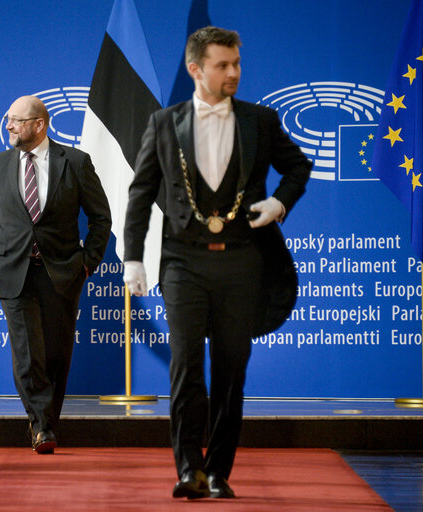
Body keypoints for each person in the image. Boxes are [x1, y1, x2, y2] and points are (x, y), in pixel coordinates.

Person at [123, 26, 311, 499]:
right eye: (223, 65)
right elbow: (141, 194)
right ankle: (190, 469)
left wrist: (279, 204)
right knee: (185, 367)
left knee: (232, 368)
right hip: (183, 264)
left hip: (242, 262)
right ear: (195, 69)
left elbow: (299, 166)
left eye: (237, 64)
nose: (233, 73)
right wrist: (132, 258)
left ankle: (219, 472)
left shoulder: (259, 121)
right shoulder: (164, 123)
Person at [0, 95, 112, 454]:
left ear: (39, 125)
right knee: (27, 353)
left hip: (62, 274)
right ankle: (42, 427)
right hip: (12, 271)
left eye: (16, 120)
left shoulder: (76, 162)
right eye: (8, 120)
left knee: (56, 355)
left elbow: (101, 218)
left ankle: (47, 421)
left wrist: (87, 262)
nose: (9, 126)